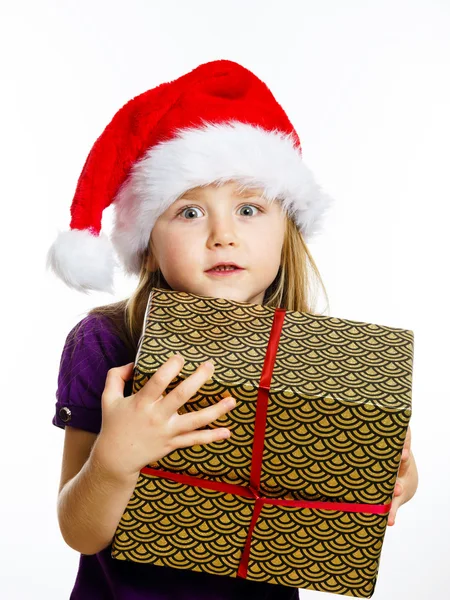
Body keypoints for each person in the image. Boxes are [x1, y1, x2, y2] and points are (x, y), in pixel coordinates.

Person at [46, 59, 418, 600]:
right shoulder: (106, 342)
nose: (222, 234)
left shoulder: (317, 352)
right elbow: (79, 531)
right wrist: (114, 459)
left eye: (248, 207)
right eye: (190, 213)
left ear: (287, 230)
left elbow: (388, 481)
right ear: (148, 244)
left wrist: (398, 481)